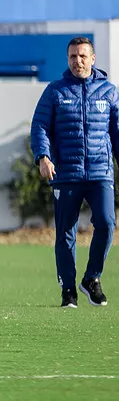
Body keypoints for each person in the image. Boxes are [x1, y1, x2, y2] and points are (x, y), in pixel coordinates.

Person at [31, 36, 119, 309]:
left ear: (93, 59)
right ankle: (68, 290)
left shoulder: (109, 91)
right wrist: (43, 157)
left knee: (107, 223)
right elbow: (40, 126)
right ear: (67, 59)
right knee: (65, 233)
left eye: (82, 56)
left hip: (100, 172)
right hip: (66, 174)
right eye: (72, 56)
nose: (77, 61)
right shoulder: (55, 91)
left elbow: (117, 133)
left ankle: (92, 279)